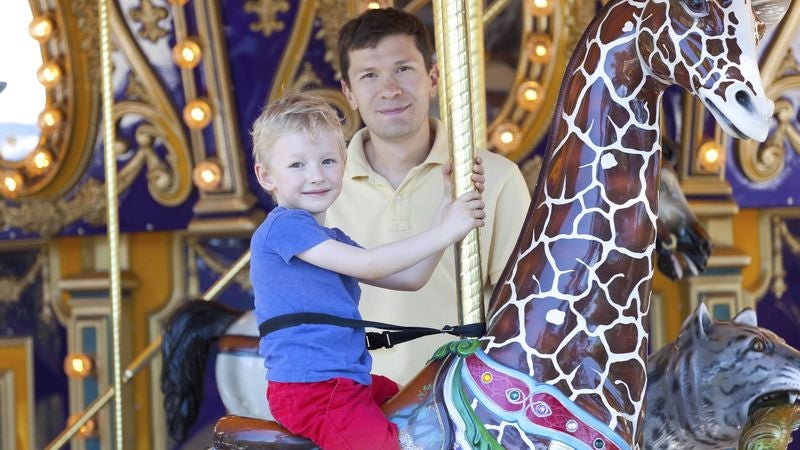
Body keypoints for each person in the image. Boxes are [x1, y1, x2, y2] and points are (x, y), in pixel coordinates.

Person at [249, 92, 486, 450]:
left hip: (345, 382)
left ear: (344, 164)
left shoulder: (330, 238)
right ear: (267, 176)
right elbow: (371, 264)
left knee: (426, 405)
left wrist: (447, 202)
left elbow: (410, 277)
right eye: (297, 165)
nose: (316, 175)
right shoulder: (284, 227)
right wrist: (448, 229)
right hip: (313, 389)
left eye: (328, 161)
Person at [327, 7, 531, 385]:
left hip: (460, 402)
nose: (389, 89)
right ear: (349, 93)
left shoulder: (496, 179)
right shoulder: (322, 189)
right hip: (353, 399)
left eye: (403, 69)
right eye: (370, 76)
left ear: (433, 77)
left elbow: (521, 310)